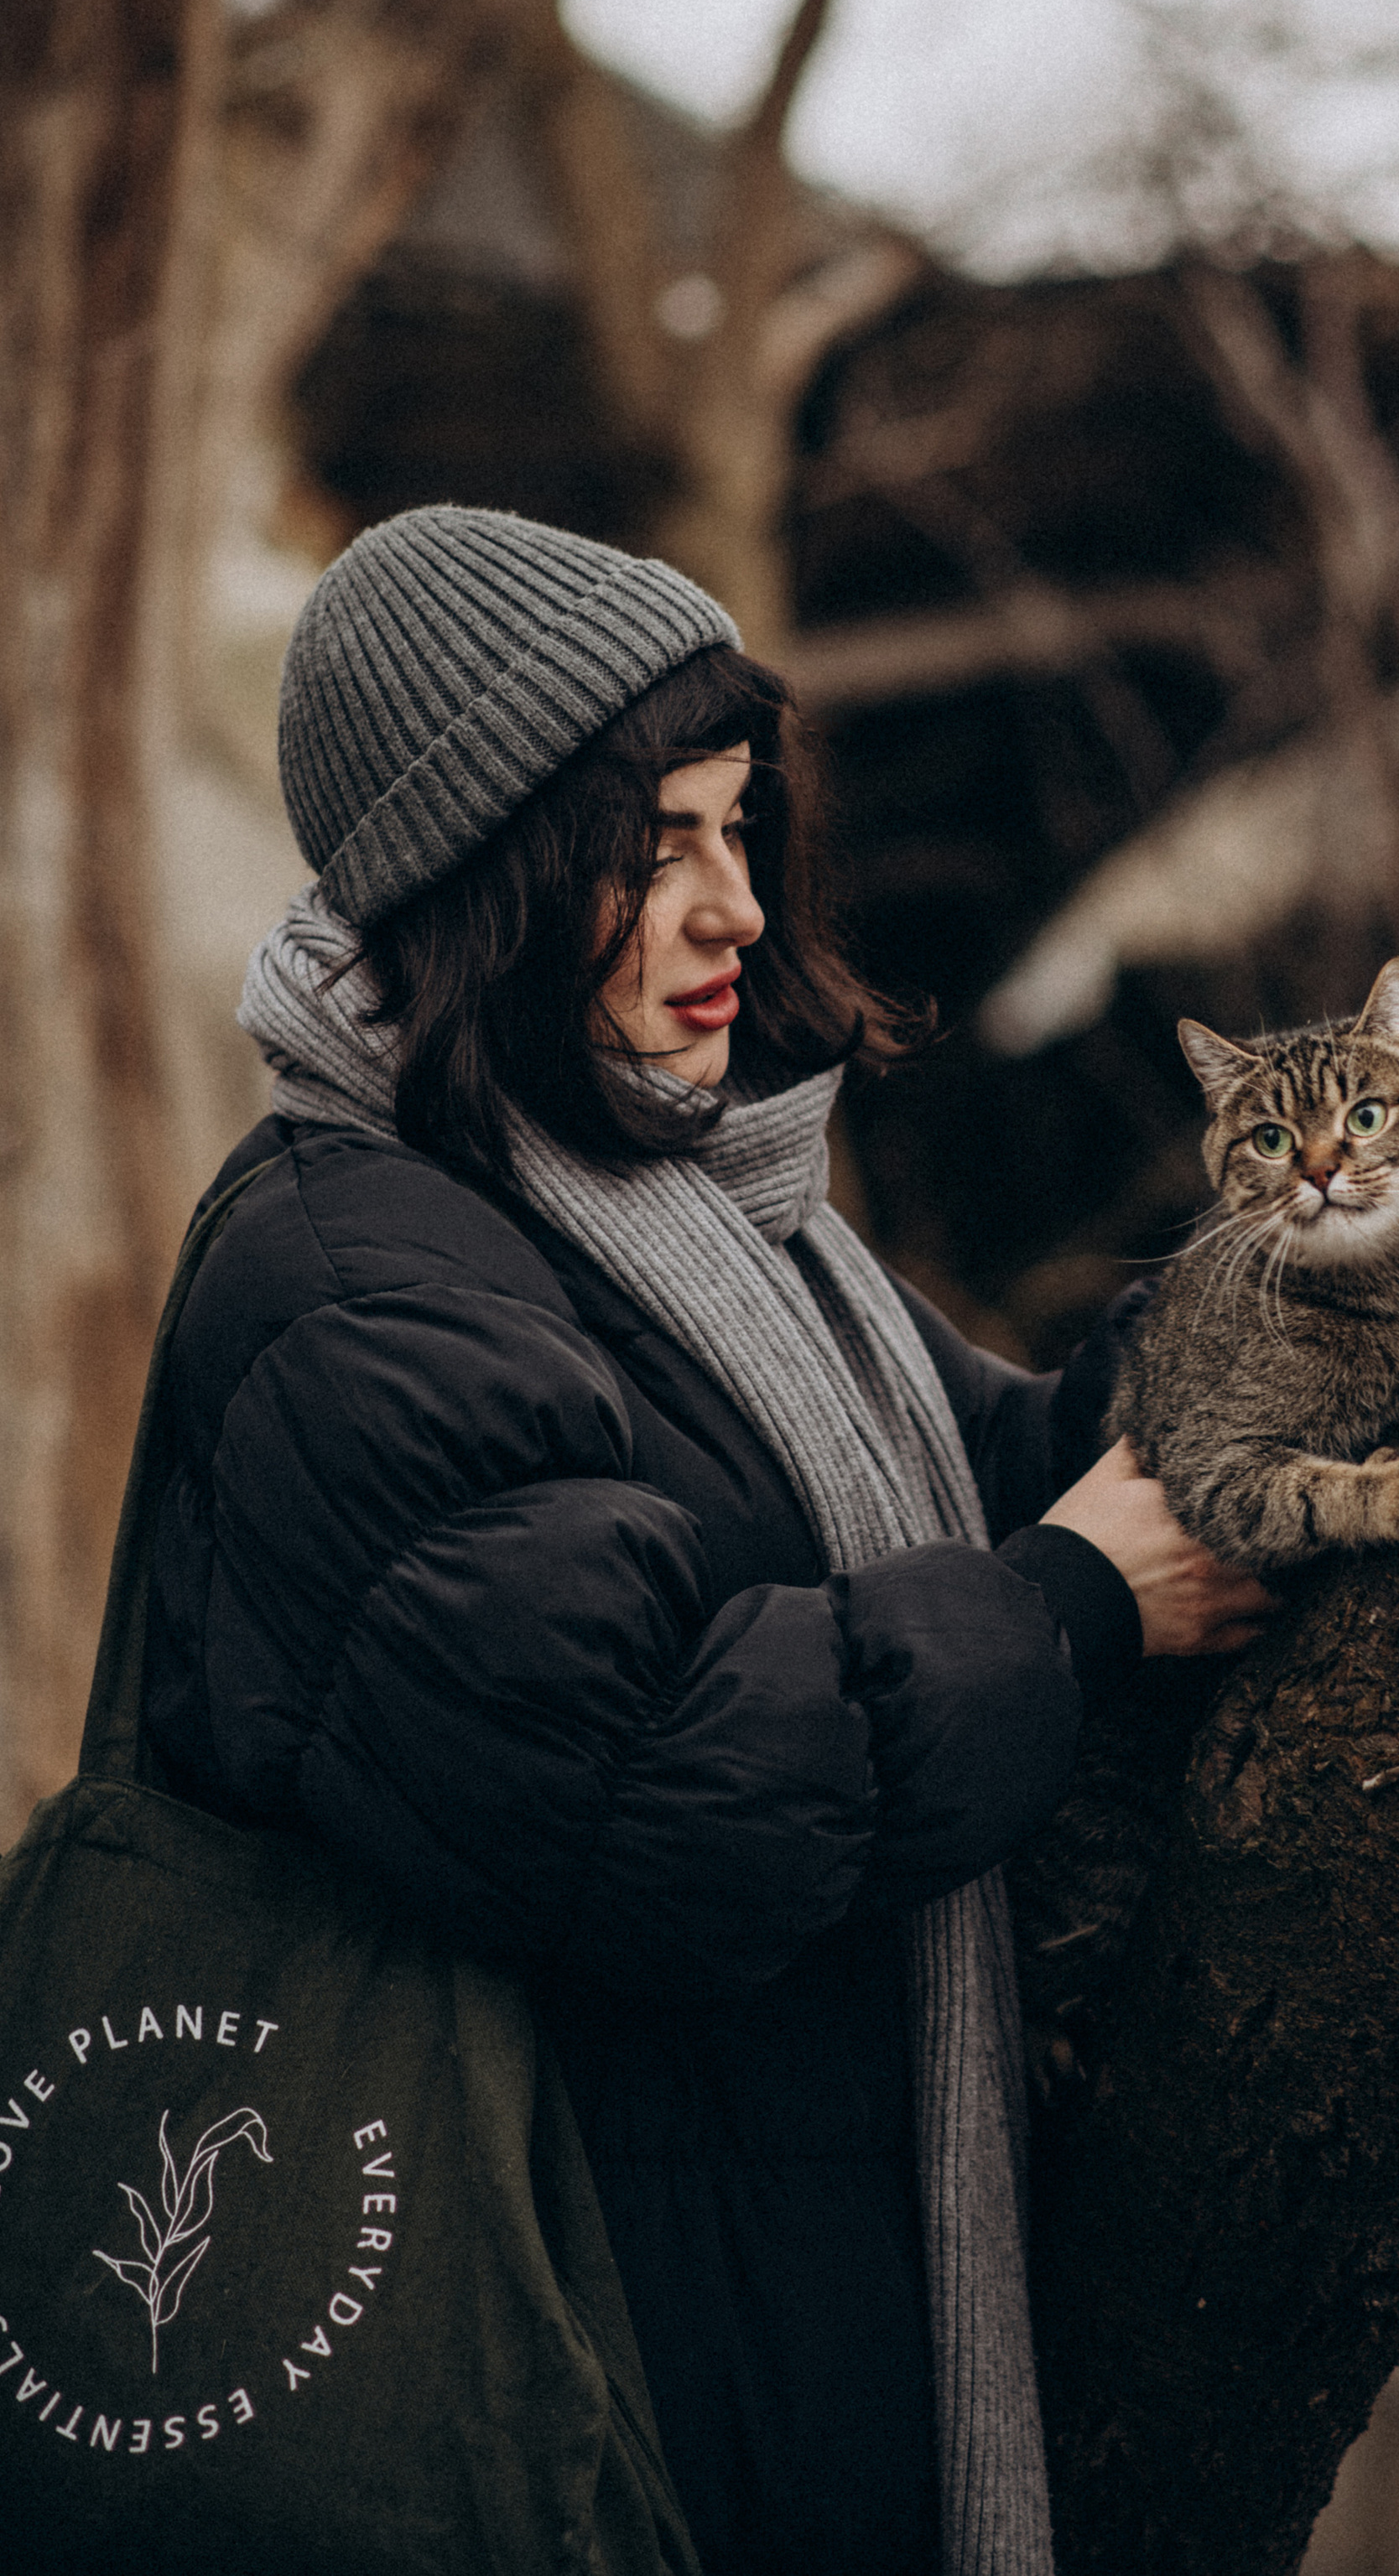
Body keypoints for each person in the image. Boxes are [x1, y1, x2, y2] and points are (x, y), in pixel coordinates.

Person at [139, 504, 1266, 2576]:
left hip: (770, 2265)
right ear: (473, 875)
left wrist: (1291, 1299)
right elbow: (643, 1786)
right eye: (653, 846)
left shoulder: (724, 1218)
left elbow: (996, 1465)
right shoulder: (349, 1274)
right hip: (593, 2348)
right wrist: (1075, 1607)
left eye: (741, 830)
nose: (733, 905)